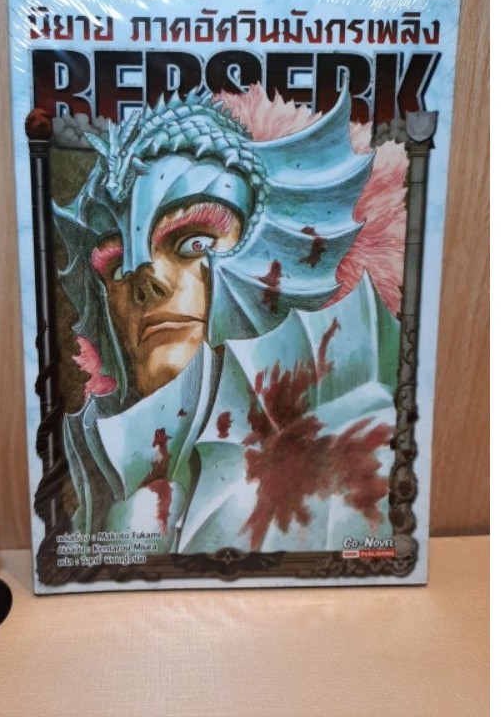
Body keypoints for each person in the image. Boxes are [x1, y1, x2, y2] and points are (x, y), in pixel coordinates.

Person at [52, 86, 399, 554]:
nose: (146, 281)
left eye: (193, 243)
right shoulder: (107, 484)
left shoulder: (361, 441)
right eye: (117, 267)